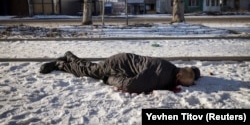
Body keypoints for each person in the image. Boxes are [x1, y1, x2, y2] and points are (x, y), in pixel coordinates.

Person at [40, 52, 200, 94]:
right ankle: (59, 64)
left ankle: (69, 56)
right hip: (118, 65)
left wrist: (195, 74)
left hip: (125, 60)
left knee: (92, 67)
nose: (189, 86)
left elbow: (192, 72)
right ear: (179, 77)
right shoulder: (158, 75)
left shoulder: (175, 69)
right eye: (187, 84)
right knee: (89, 71)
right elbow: (131, 85)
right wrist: (109, 79)